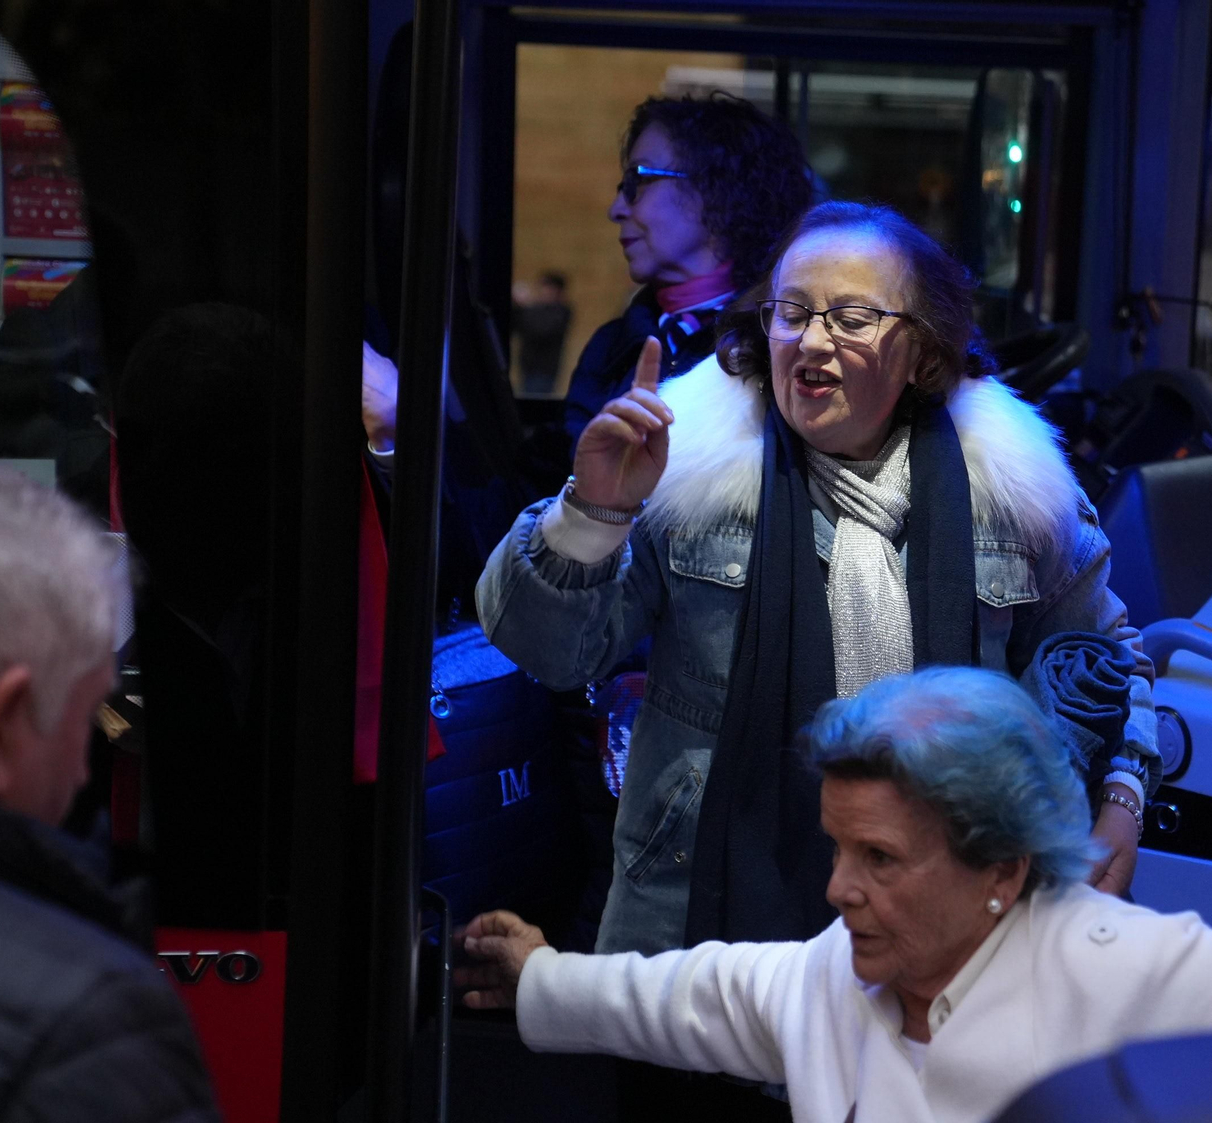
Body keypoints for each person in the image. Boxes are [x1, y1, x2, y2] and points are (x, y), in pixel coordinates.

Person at [480, 199, 1159, 960]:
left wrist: (1122, 804)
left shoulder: (1009, 487)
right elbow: (550, 653)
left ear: (922, 352)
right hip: (699, 926)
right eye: (793, 312)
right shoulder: (691, 471)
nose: (812, 339)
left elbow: (1111, 658)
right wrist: (593, 512)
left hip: (958, 927)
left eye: (852, 317)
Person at [456, 667, 1212, 1123]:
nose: (839, 890)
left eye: (880, 858)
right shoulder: (834, 978)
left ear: (1002, 869)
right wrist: (540, 976)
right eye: (839, 849)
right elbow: (689, 996)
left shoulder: (1123, 964)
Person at [0, 455, 220, 1123]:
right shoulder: (93, 1030)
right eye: (77, 714)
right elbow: (128, 729)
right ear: (1, 727)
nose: (77, 772)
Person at [558, 92, 814, 450]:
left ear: (715, 188)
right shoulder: (610, 346)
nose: (615, 210)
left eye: (636, 182)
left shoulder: (782, 340)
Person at [512, 269, 573, 397]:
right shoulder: (538, 309)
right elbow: (518, 327)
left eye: (547, 287)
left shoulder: (561, 312)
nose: (543, 291)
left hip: (543, 371)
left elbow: (540, 331)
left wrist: (524, 305)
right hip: (529, 369)